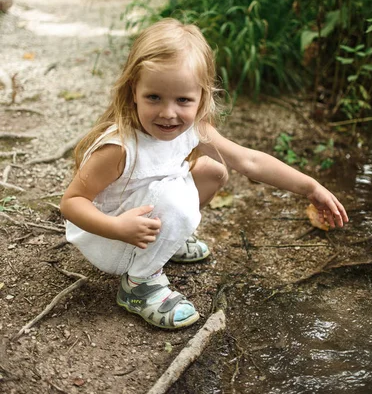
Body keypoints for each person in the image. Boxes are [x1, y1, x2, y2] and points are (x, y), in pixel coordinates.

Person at [60, 19, 349, 331]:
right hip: (108, 236)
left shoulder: (195, 128)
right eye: (154, 97)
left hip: (139, 218)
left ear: (201, 97)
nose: (168, 113)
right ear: (134, 91)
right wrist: (117, 228)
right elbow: (72, 203)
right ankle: (138, 285)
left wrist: (310, 187)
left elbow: (249, 162)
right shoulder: (120, 147)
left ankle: (166, 240)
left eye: (183, 100)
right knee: (175, 200)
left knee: (213, 170)